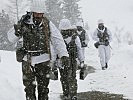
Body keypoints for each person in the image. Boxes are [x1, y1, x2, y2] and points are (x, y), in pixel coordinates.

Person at [7, 0, 69, 100]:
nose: (39, 16)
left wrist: (63, 55)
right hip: (27, 61)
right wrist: (16, 32)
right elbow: (10, 38)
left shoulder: (47, 23)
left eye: (41, 13)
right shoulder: (24, 22)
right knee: (29, 89)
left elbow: (57, 39)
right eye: (37, 13)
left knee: (44, 89)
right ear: (32, 12)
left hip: (43, 61)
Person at [59, 19, 84, 100]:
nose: (65, 31)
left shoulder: (75, 37)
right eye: (63, 30)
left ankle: (72, 94)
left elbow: (79, 49)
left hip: (72, 60)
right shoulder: (58, 38)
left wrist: (81, 60)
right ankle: (66, 94)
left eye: (66, 30)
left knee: (71, 77)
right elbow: (55, 50)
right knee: (64, 78)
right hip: (62, 61)